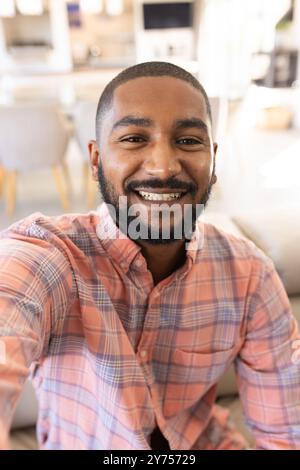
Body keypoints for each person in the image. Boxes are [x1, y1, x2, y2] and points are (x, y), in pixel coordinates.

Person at [0, 61, 299, 450]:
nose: (162, 167)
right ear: (95, 161)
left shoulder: (249, 276)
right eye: (134, 139)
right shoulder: (50, 255)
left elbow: (285, 434)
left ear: (213, 163)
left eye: (189, 140)